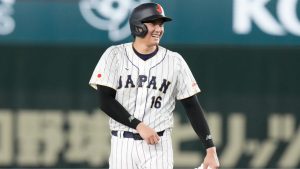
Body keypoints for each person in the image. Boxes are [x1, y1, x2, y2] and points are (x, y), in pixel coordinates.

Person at [89, 2, 220, 169]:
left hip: (158, 145)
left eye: (161, 24)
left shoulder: (174, 61)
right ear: (138, 26)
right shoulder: (114, 55)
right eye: (153, 23)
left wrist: (210, 148)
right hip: (122, 144)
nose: (159, 29)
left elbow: (192, 106)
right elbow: (105, 101)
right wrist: (138, 125)